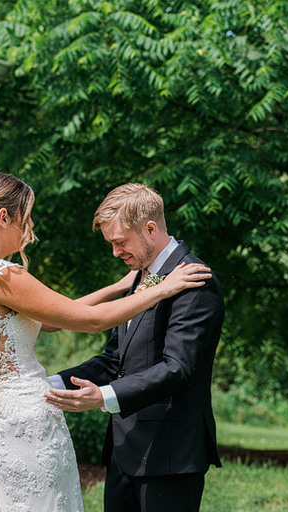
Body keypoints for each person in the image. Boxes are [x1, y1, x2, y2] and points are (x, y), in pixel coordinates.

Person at [0, 172, 211, 512]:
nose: (30, 228)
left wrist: (120, 287)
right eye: (26, 217)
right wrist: (162, 288)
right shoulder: (3, 274)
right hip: (29, 424)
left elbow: (51, 319)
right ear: (4, 217)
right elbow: (89, 321)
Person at [45, 183, 225, 512]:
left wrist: (103, 396)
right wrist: (49, 385)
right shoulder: (140, 278)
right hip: (124, 452)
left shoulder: (195, 281)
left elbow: (178, 368)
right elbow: (115, 359)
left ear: (150, 229)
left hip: (170, 457)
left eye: (120, 242)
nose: (115, 252)